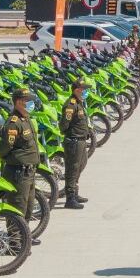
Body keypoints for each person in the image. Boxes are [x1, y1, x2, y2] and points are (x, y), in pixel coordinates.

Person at [0, 88, 41, 229]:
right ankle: (16, 243)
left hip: (29, 171)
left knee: (28, 208)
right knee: (17, 210)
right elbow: (4, 148)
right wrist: (13, 160)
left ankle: (25, 237)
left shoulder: (26, 118)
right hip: (18, 173)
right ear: (18, 102)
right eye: (27, 100)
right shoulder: (13, 123)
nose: (30, 103)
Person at [59, 77, 91, 209]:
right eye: (84, 89)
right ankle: (70, 198)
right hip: (74, 141)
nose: (86, 92)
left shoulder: (79, 102)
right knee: (72, 169)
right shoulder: (71, 105)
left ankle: (75, 192)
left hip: (81, 140)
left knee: (80, 165)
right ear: (77, 90)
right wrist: (73, 134)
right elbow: (64, 126)